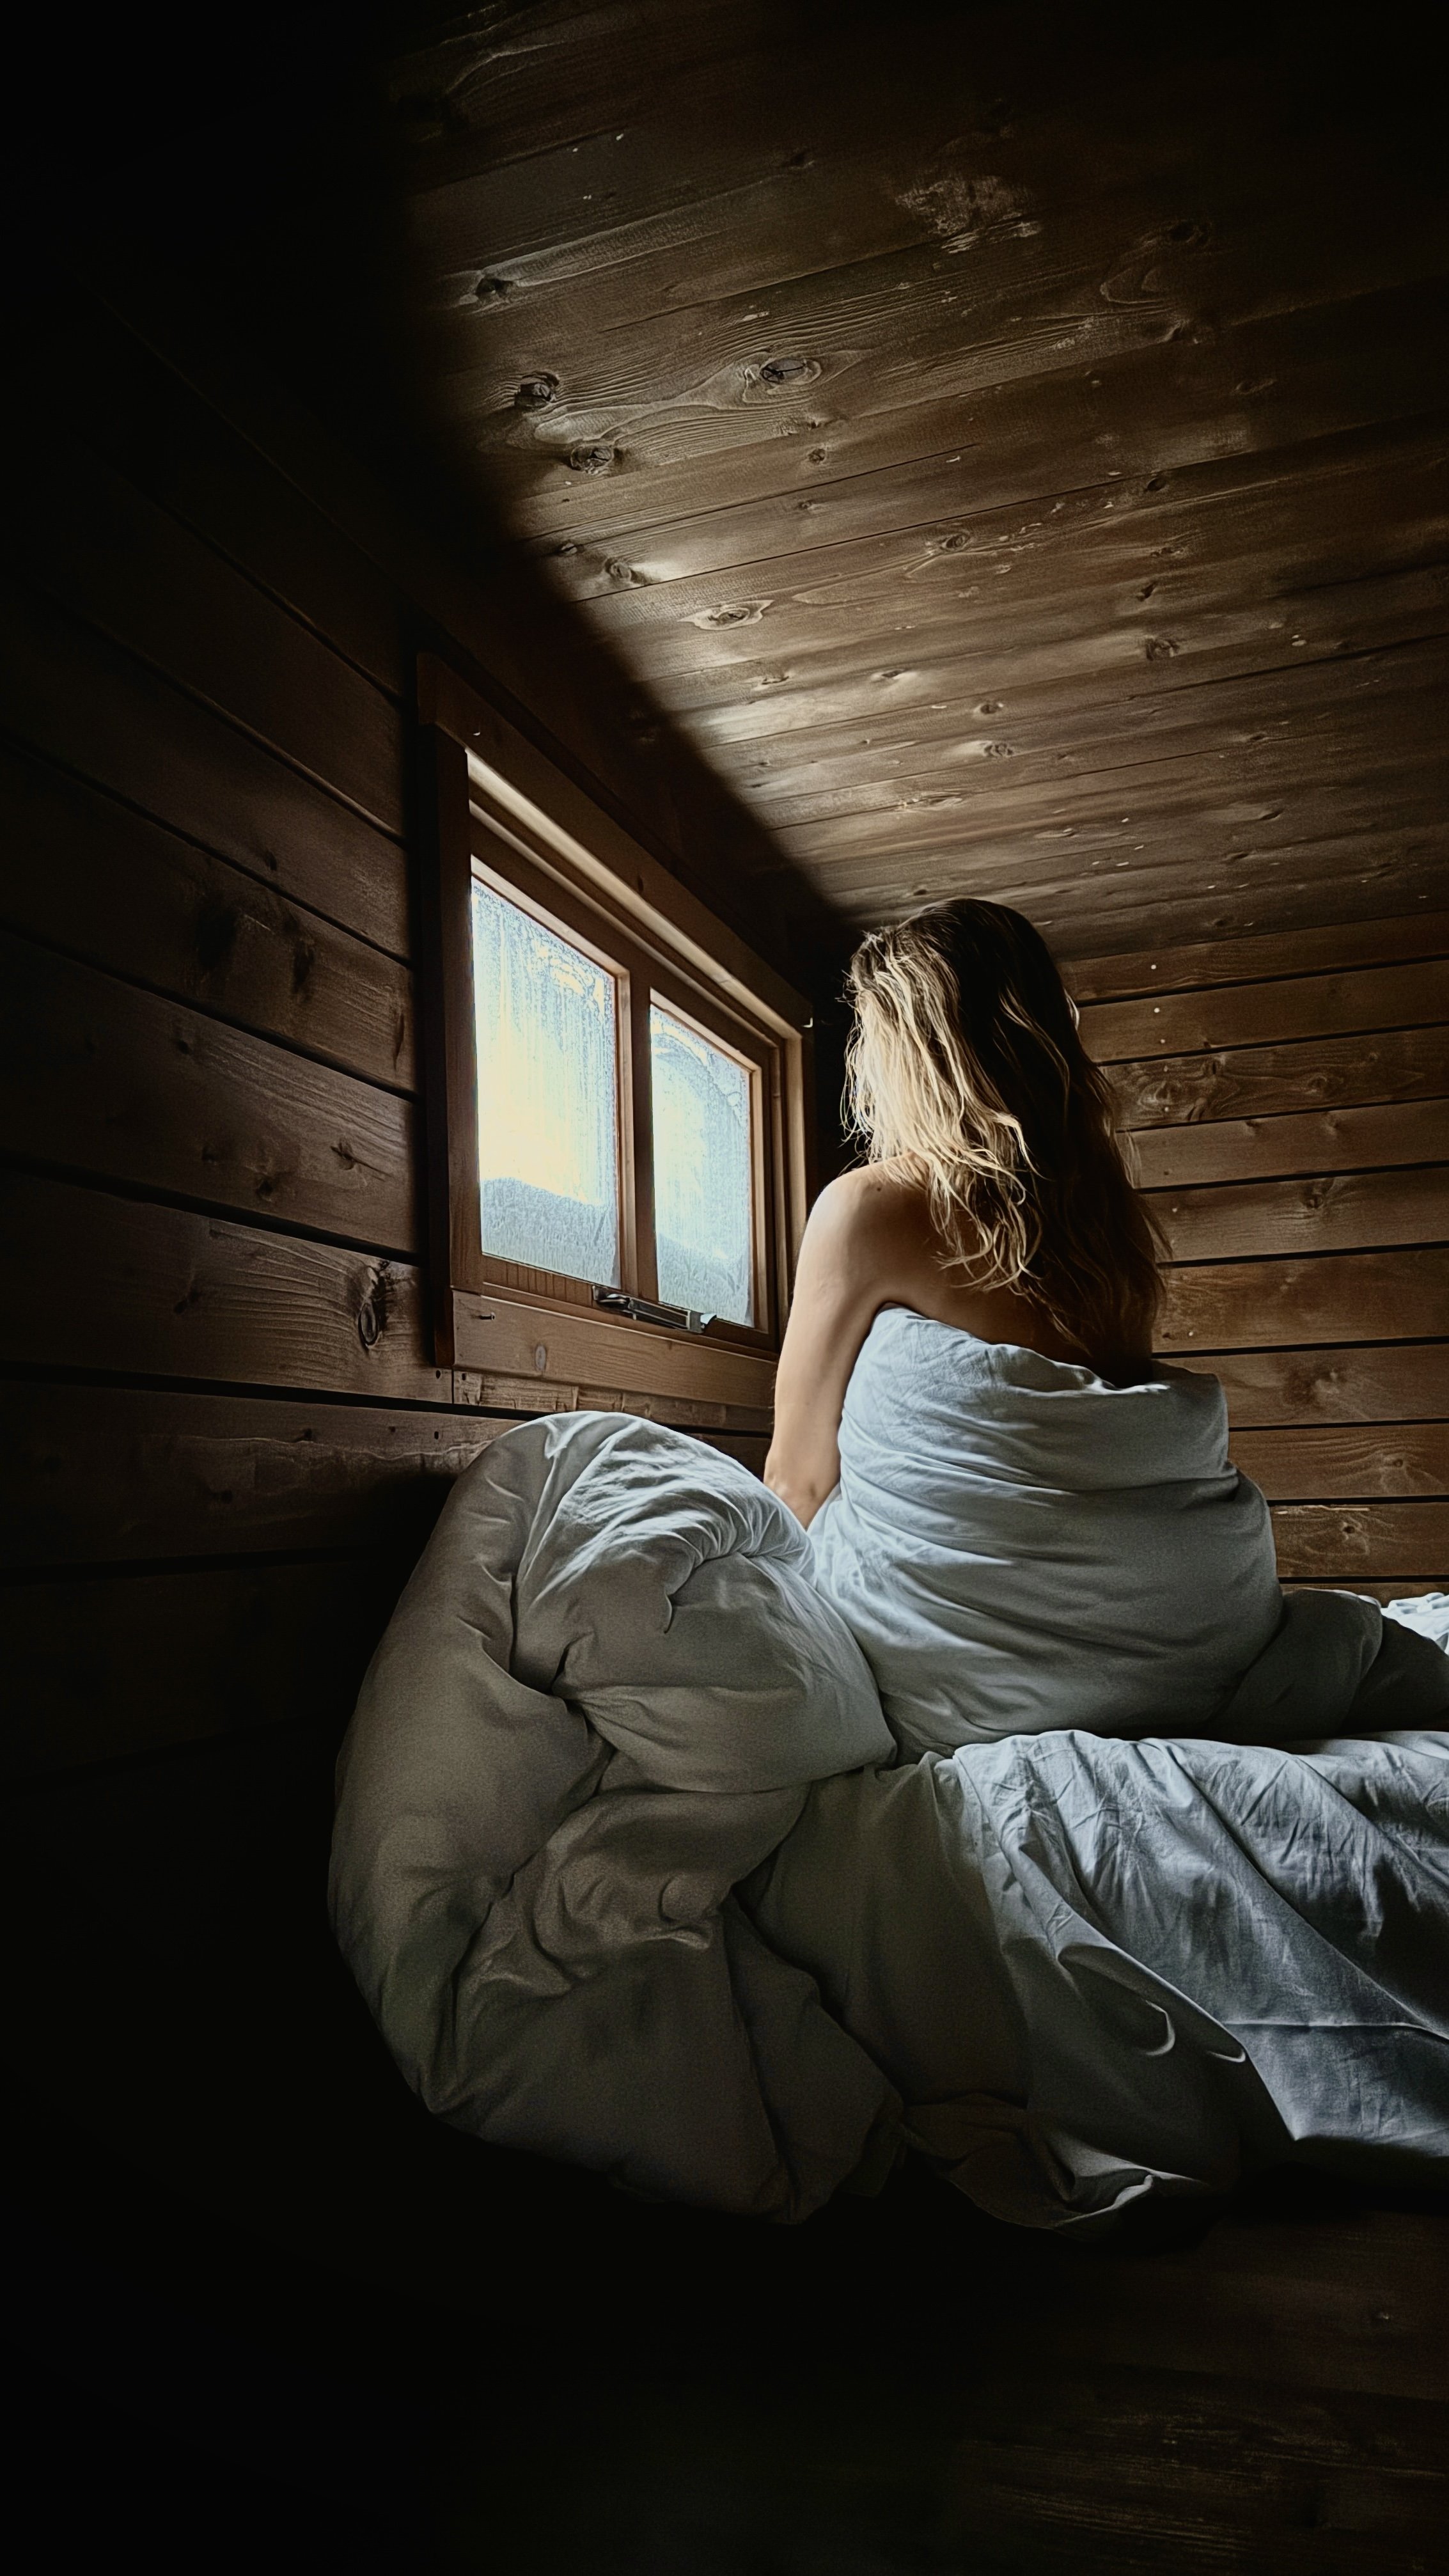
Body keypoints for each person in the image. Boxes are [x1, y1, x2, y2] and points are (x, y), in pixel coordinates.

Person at [765, 898, 1286, 1752]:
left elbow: (797, 1479)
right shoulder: (1108, 1223)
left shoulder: (867, 1208)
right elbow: (1102, 1444)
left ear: (903, 1045)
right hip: (1175, 1650)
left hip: (964, 1673)